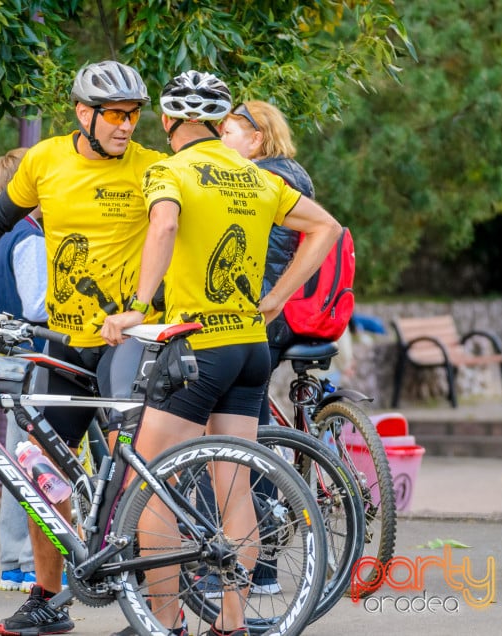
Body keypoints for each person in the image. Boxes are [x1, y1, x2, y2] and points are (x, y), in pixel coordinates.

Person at [0, 60, 164, 636]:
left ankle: (152, 601)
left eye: (134, 115)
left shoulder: (154, 168)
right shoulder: (44, 160)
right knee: (41, 473)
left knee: (136, 471)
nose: (127, 126)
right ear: (85, 113)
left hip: (125, 342)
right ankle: (49, 598)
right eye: (116, 116)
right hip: (63, 343)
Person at [102, 71, 341, 636]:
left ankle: (164, 622)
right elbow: (327, 227)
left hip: (199, 345)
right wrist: (277, 299)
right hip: (250, 346)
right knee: (232, 480)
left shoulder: (169, 169)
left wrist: (138, 305)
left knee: (150, 481)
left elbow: (163, 224)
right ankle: (231, 622)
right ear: (218, 122)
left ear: (167, 122)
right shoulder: (254, 176)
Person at [219, 99, 317, 596]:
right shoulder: (290, 174)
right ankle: (262, 560)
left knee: (240, 439)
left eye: (228, 131)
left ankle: (259, 566)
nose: (220, 140)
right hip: (272, 315)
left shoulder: (263, 180)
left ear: (255, 139)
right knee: (250, 432)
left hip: (256, 314)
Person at [0, 147, 45, 593]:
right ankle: (27, 560)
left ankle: (12, 561)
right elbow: (39, 306)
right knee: (35, 460)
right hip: (33, 356)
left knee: (13, 459)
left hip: (2, 354)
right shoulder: (31, 238)